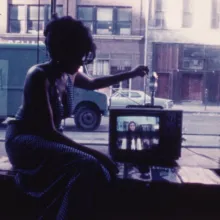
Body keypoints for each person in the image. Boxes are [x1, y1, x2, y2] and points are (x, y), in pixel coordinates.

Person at [5, 15, 148, 219]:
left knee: (96, 167)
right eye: (78, 55)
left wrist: (131, 74)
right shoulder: (38, 76)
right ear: (63, 51)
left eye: (83, 55)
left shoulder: (68, 73)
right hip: (24, 140)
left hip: (45, 139)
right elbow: (49, 133)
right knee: (89, 163)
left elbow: (94, 83)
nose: (81, 61)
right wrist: (97, 154)